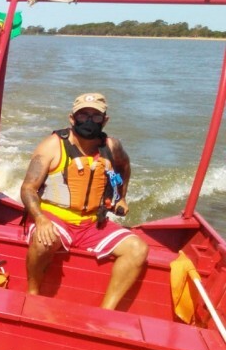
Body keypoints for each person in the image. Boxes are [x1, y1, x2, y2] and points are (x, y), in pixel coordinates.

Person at [20, 93, 148, 310]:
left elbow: (124, 166)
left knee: (138, 249)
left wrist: (122, 197)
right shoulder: (53, 146)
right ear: (72, 118)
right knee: (43, 242)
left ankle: (106, 311)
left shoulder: (112, 147)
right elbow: (28, 188)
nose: (89, 121)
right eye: (83, 115)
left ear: (104, 120)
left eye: (95, 116)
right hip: (55, 217)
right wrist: (40, 219)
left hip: (93, 222)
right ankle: (33, 293)